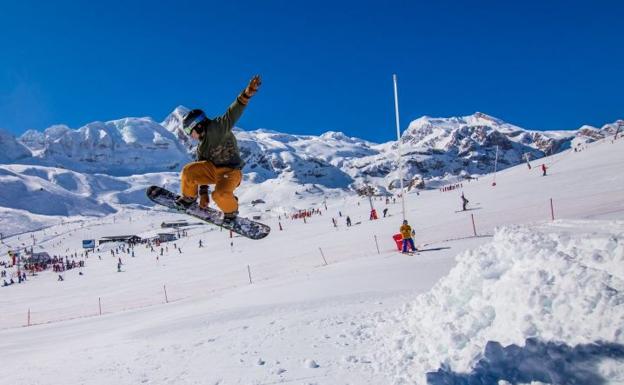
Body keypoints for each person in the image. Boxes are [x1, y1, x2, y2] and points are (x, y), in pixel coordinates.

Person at [175, 75, 262, 223]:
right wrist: (203, 194)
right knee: (189, 171)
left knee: (220, 194)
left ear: (198, 125)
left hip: (231, 172)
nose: (191, 136)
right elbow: (200, 172)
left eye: (190, 131)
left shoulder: (218, 128)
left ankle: (231, 210)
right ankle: (189, 197)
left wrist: (247, 94)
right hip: (213, 171)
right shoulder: (201, 147)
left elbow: (232, 113)